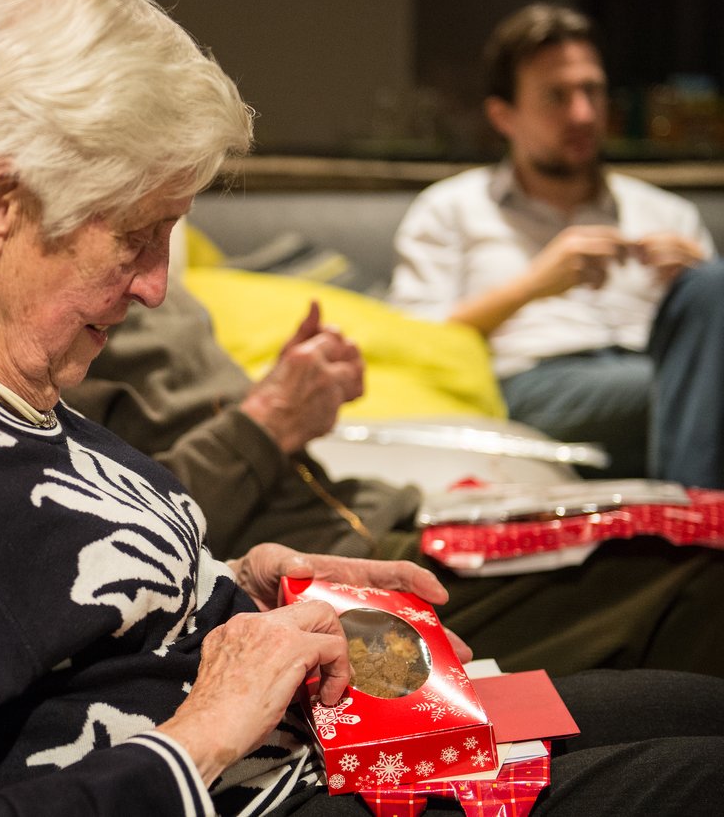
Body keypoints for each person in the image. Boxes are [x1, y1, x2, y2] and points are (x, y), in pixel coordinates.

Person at [0, 0, 724, 813]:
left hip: (325, 735)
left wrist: (241, 577)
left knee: (695, 706)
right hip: (266, 785)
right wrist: (201, 731)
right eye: (135, 234)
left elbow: (42, 588)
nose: (153, 283)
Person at [64, 273, 724, 679]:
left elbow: (203, 433)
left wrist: (292, 389)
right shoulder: (45, 328)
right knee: (691, 563)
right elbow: (117, 533)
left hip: (390, 520)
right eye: (138, 228)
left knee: (687, 518)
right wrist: (267, 421)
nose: (155, 275)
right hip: (325, 574)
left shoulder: (150, 284)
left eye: (168, 221)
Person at [389, 3, 724, 488]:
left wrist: (698, 284)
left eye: (592, 91)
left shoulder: (664, 212)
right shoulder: (451, 209)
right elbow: (414, 344)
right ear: (504, 116)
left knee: (711, 290)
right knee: (701, 390)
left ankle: (694, 533)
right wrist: (530, 287)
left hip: (655, 364)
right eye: (557, 97)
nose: (584, 114)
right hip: (535, 384)